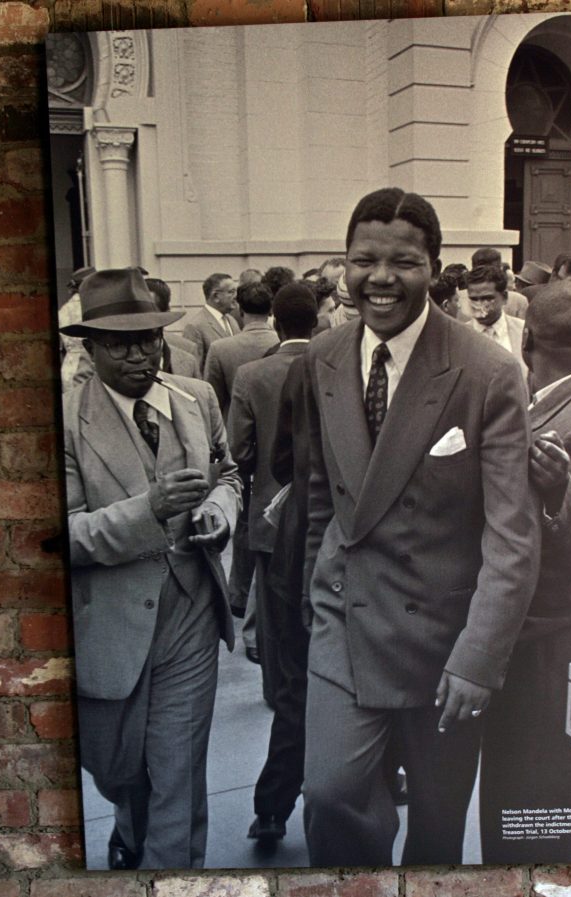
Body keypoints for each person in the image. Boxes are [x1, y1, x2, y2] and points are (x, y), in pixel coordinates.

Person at [301, 187, 540, 866]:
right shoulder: (322, 356)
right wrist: (307, 607)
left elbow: (512, 535)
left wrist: (479, 656)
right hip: (344, 622)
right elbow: (321, 497)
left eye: (402, 262)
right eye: (363, 260)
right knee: (329, 795)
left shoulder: (489, 370)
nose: (379, 278)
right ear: (344, 266)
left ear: (434, 268)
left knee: (437, 827)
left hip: (444, 641)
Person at [60, 268, 242, 870]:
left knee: (177, 771)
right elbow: (62, 536)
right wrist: (149, 510)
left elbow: (229, 475)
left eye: (148, 339)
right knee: (120, 770)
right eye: (120, 344)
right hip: (109, 626)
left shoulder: (197, 398)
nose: (139, 355)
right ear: (90, 347)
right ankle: (129, 824)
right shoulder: (65, 421)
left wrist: (219, 511)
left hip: (191, 613)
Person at [480, 281, 571, 864]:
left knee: (532, 804)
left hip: (552, 644)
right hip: (540, 638)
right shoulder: (563, 398)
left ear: (527, 338)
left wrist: (560, 494)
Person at [235, 283, 319, 844]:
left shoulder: (259, 374)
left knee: (291, 685)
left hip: (283, 537)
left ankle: (272, 808)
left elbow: (252, 454)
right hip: (334, 547)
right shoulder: (335, 367)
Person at [204, 281, 279, 420]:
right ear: (270, 310)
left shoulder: (219, 349)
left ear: (240, 310)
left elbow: (213, 402)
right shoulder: (282, 344)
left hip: (234, 425)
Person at [465, 264, 527, 376]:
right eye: (474, 299)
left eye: (487, 298)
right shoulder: (459, 336)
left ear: (504, 297)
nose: (479, 306)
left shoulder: (523, 332)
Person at [183, 273, 241, 368]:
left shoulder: (232, 321)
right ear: (216, 296)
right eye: (231, 292)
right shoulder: (195, 327)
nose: (236, 296)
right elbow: (193, 368)